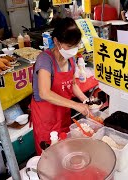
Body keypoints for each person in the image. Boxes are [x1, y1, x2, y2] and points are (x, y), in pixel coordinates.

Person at [30, 17, 90, 155]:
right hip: (46, 117)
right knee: (49, 155)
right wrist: (75, 105)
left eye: (76, 46)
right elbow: (44, 93)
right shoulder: (45, 60)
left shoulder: (71, 59)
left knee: (64, 151)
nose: (73, 50)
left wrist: (86, 100)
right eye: (69, 46)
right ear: (56, 41)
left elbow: (72, 83)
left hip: (63, 114)